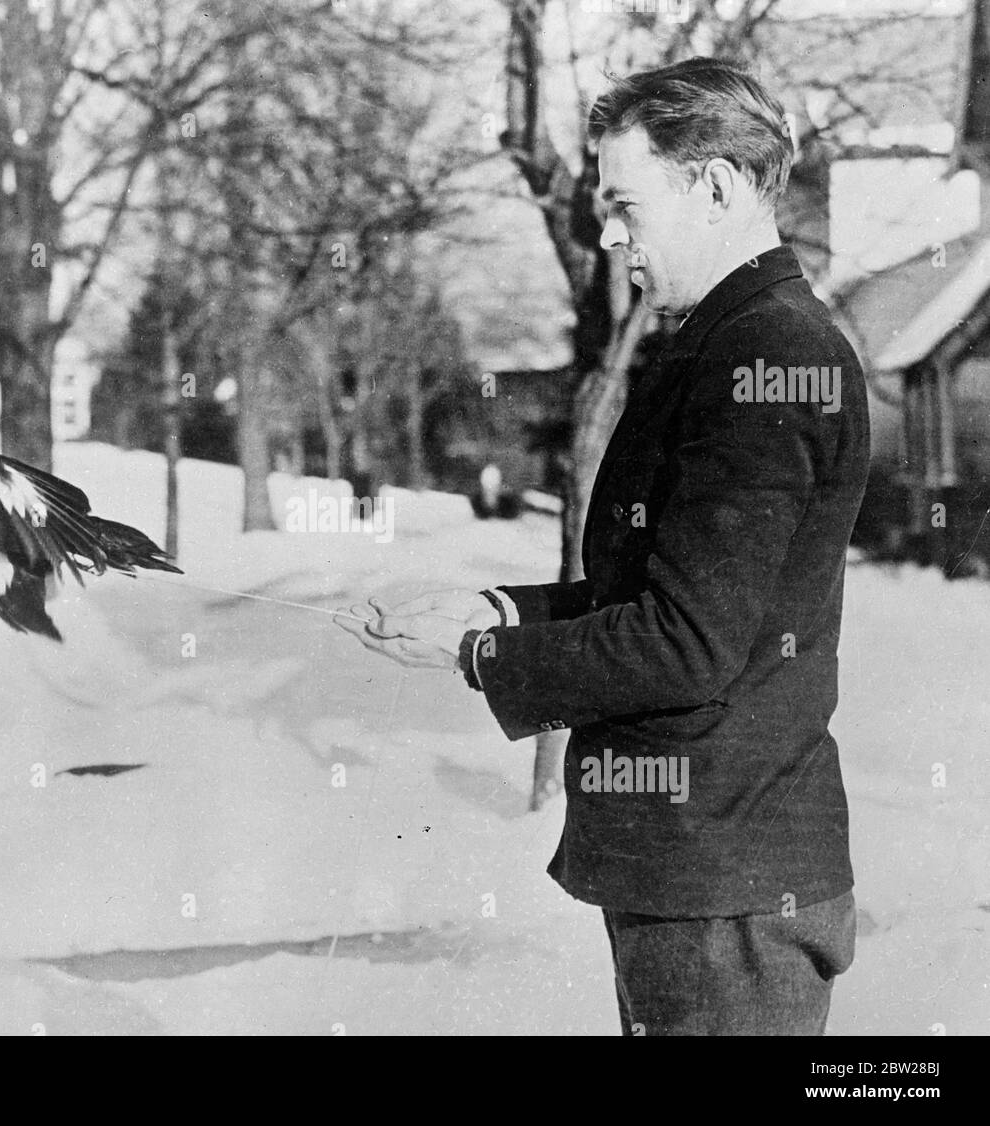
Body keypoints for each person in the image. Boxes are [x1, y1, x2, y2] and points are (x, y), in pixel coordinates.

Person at [335, 56, 870, 1036]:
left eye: (624, 203)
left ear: (711, 185)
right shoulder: (726, 340)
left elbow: (686, 643)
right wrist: (493, 613)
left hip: (724, 891)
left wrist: (478, 656)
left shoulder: (768, 356)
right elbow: (663, 589)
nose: (608, 234)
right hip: (702, 874)